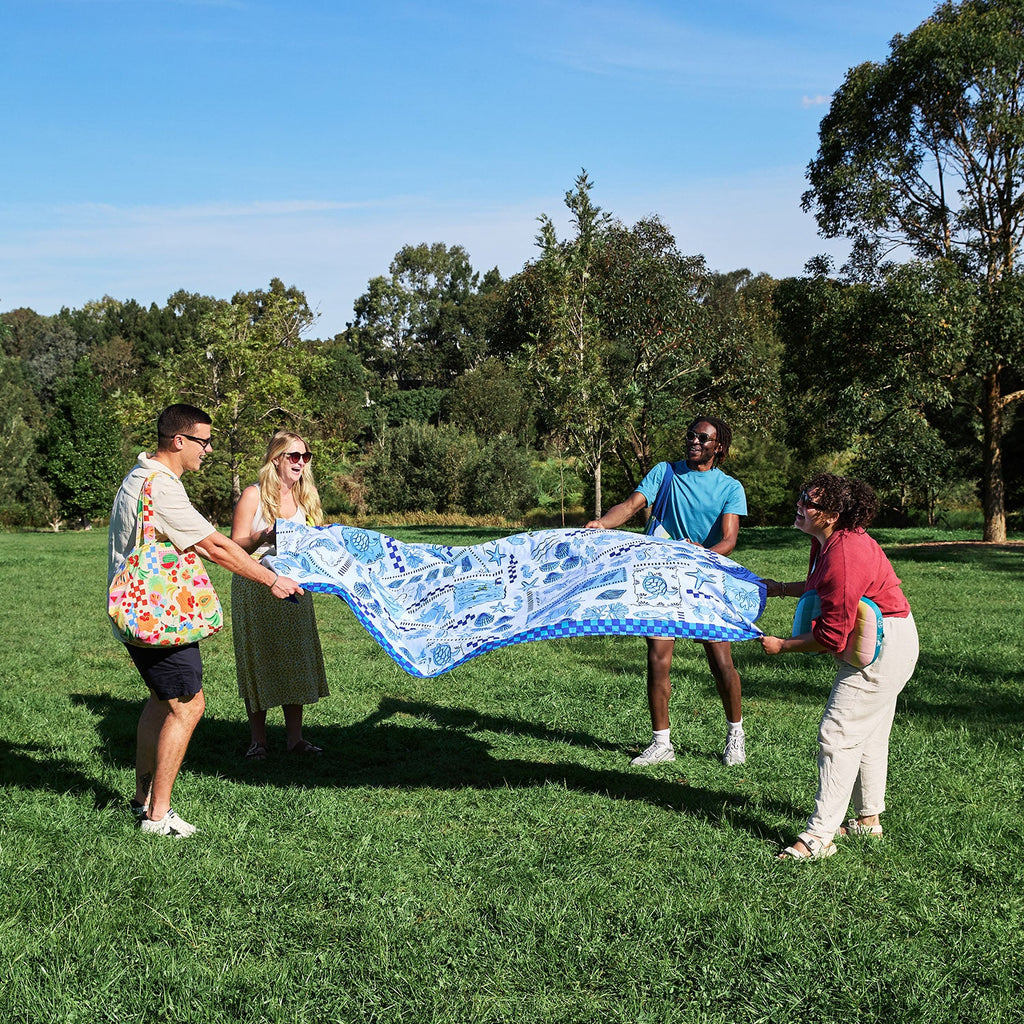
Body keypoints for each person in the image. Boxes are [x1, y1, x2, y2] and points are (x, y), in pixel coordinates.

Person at [108, 404, 303, 838]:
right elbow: (216, 546)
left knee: (162, 701)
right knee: (188, 704)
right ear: (179, 441)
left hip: (136, 613)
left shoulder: (136, 478)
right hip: (160, 616)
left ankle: (142, 799)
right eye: (203, 441)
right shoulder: (162, 488)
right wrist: (270, 579)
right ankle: (158, 816)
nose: (209, 449)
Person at [758, 474, 918, 860]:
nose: (800, 505)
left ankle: (818, 838)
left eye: (809, 503)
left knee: (837, 734)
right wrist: (779, 587)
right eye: (801, 496)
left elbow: (831, 636)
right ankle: (867, 822)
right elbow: (819, 584)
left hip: (880, 651)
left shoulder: (845, 555)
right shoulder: (832, 541)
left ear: (831, 514)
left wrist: (783, 646)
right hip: (893, 639)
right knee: (870, 736)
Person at [585, 416, 749, 766]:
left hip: (703, 575)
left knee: (721, 660)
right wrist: (602, 523)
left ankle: (735, 733)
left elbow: (729, 540)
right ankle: (662, 743)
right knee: (658, 660)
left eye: (702, 438)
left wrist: (698, 554)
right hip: (657, 575)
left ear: (718, 447)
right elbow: (630, 506)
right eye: (690, 435)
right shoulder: (665, 472)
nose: (693, 441)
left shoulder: (730, 487)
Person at [231, 430, 329, 759]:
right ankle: (258, 740)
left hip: (295, 588)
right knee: (260, 658)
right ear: (276, 459)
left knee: (294, 659)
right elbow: (235, 546)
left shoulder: (308, 495)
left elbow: (317, 542)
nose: (301, 462)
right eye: (294, 456)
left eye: (305, 456)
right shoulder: (253, 495)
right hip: (257, 585)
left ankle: (295, 739)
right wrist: (264, 535)